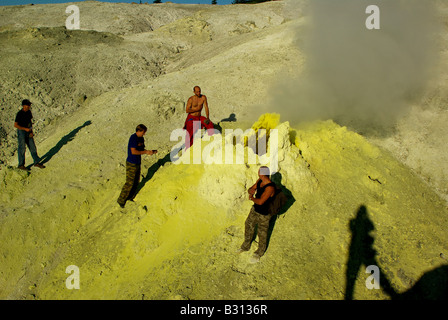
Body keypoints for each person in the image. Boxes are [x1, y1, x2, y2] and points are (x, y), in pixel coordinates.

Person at [240, 166, 276, 263]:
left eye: (259, 171)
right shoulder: (260, 181)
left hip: (264, 214)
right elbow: (252, 189)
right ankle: (246, 246)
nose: (258, 173)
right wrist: (250, 190)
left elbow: (260, 201)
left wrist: (251, 198)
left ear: (262, 174)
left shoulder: (270, 187)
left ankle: (259, 252)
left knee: (262, 233)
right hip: (255, 210)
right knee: (248, 224)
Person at [117, 124, 157, 208]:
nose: (144, 134)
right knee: (129, 183)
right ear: (138, 131)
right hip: (131, 163)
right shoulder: (133, 138)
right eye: (143, 132)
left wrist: (150, 151)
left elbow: (141, 149)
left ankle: (130, 197)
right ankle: (121, 200)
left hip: (137, 162)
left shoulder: (141, 138)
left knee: (136, 182)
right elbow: (133, 151)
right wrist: (146, 152)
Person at [14, 99, 45, 170]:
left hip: (28, 131)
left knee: (32, 147)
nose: (29, 107)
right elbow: (15, 125)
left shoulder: (29, 112)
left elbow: (30, 122)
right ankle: (21, 165)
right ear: (23, 106)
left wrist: (31, 131)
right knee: (22, 148)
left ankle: (36, 162)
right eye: (28, 105)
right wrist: (25, 129)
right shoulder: (19, 114)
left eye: (29, 106)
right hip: (21, 131)